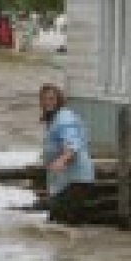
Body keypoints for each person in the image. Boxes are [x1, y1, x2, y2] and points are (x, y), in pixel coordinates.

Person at [39, 84, 95, 224]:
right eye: (44, 99)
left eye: (52, 99)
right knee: (57, 223)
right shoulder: (55, 118)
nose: (48, 102)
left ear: (59, 100)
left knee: (62, 222)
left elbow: (72, 144)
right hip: (65, 182)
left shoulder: (64, 118)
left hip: (75, 181)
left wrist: (62, 160)